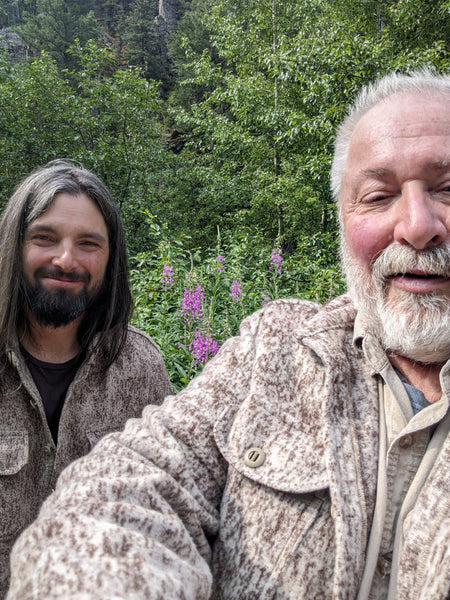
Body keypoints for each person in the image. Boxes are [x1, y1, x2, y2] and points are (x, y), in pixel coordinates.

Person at [6, 70, 450, 600]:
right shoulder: (275, 348)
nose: (417, 225)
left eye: (447, 188)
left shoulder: (136, 362)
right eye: (378, 196)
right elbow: (139, 479)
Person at [0, 161, 172, 598]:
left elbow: (169, 516)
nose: (66, 259)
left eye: (88, 243)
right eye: (45, 237)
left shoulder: (141, 369)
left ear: (111, 259)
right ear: (13, 247)